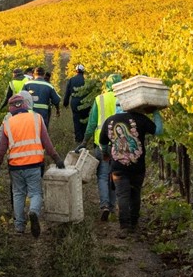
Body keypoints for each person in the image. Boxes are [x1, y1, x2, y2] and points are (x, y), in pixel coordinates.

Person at [0, 94, 64, 237]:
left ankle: (19, 227)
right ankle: (34, 212)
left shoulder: (8, 123)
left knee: (18, 194)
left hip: (15, 166)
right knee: (35, 192)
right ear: (25, 105)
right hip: (34, 163)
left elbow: (1, 150)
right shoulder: (37, 118)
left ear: (11, 109)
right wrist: (56, 158)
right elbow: (47, 142)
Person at [99, 104, 163, 237]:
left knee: (122, 195)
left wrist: (105, 153)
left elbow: (103, 142)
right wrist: (156, 111)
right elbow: (158, 131)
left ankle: (124, 226)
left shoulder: (110, 121)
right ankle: (134, 224)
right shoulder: (141, 118)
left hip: (118, 167)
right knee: (135, 193)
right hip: (137, 166)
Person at [82, 73, 122, 222]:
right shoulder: (124, 98)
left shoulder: (100, 99)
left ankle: (104, 205)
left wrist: (84, 141)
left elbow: (92, 123)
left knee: (103, 176)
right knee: (115, 175)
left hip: (101, 143)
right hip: (120, 145)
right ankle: (112, 206)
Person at [62, 64, 89, 144]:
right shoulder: (86, 80)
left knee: (76, 120)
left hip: (75, 102)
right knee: (84, 120)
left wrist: (65, 103)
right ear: (83, 71)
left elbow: (67, 93)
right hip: (85, 102)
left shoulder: (71, 80)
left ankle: (78, 138)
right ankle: (84, 138)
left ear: (76, 71)